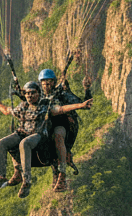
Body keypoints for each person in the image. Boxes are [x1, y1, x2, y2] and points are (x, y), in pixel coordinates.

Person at [0, 80, 92, 198]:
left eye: (32, 93)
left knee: (24, 143)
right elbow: (6, 110)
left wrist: (81, 105)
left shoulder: (45, 106)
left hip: (38, 135)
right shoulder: (23, 107)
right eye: (27, 93)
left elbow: (61, 109)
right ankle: (1, 177)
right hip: (22, 132)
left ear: (38, 93)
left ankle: (26, 181)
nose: (30, 96)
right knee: (2, 143)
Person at [38, 54, 94, 191]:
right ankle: (52, 172)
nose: (46, 84)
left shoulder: (62, 94)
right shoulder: (39, 96)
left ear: (53, 82)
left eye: (49, 82)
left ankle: (62, 174)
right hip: (46, 126)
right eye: (44, 82)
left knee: (58, 136)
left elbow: (83, 104)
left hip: (64, 125)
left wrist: (87, 89)